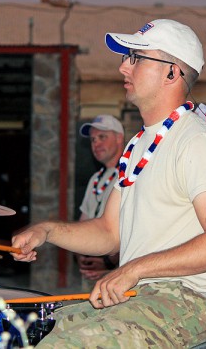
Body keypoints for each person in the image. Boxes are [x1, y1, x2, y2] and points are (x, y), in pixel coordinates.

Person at [12, 19, 206, 348]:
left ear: (171, 72)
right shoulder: (137, 146)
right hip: (138, 297)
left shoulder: (197, 141)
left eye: (136, 58)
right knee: (36, 332)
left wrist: (134, 268)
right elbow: (109, 233)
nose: (123, 66)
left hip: (188, 299)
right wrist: (48, 230)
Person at [76, 115, 124, 291]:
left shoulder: (131, 176)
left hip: (118, 274)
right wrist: (82, 258)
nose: (96, 143)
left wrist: (106, 263)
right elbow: (84, 222)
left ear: (119, 138)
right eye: (93, 139)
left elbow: (135, 230)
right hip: (91, 274)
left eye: (102, 137)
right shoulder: (96, 179)